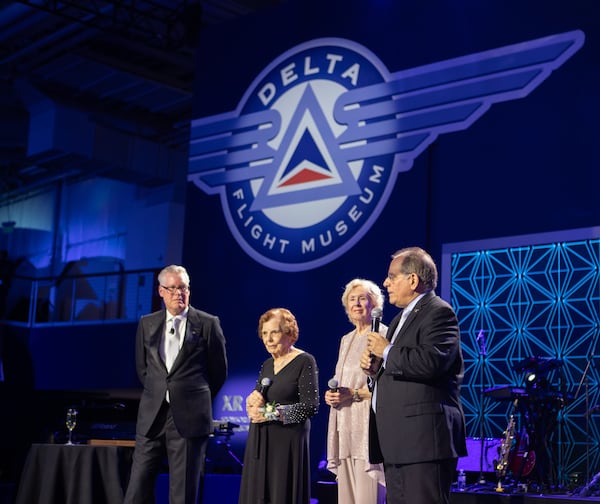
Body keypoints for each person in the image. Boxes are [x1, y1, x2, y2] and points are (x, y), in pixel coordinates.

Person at [360, 247, 467, 504]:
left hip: (423, 443)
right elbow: (401, 367)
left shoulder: (439, 312)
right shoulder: (399, 320)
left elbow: (431, 362)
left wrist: (386, 350)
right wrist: (375, 371)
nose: (385, 283)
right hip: (398, 441)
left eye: (392, 276)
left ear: (412, 280)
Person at [124, 264, 228, 504]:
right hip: (152, 415)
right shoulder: (147, 323)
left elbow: (218, 372)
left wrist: (191, 396)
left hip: (189, 417)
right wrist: (161, 391)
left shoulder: (208, 323)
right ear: (161, 291)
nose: (177, 293)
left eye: (182, 288)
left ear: (189, 290)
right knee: (136, 489)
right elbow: (144, 369)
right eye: (171, 288)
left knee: (182, 492)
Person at [238, 308, 319, 504]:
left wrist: (271, 414)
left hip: (287, 443)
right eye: (264, 334)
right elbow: (260, 397)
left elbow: (310, 407)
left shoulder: (304, 361)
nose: (268, 339)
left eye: (274, 332)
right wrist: (252, 403)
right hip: (261, 440)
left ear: (289, 333)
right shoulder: (267, 364)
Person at [325, 278, 387, 504]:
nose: (357, 304)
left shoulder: (383, 335)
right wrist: (332, 395)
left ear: (375, 304)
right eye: (352, 299)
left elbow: (390, 390)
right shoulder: (346, 339)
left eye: (363, 299)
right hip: (344, 429)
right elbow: (344, 381)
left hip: (368, 431)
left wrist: (353, 394)